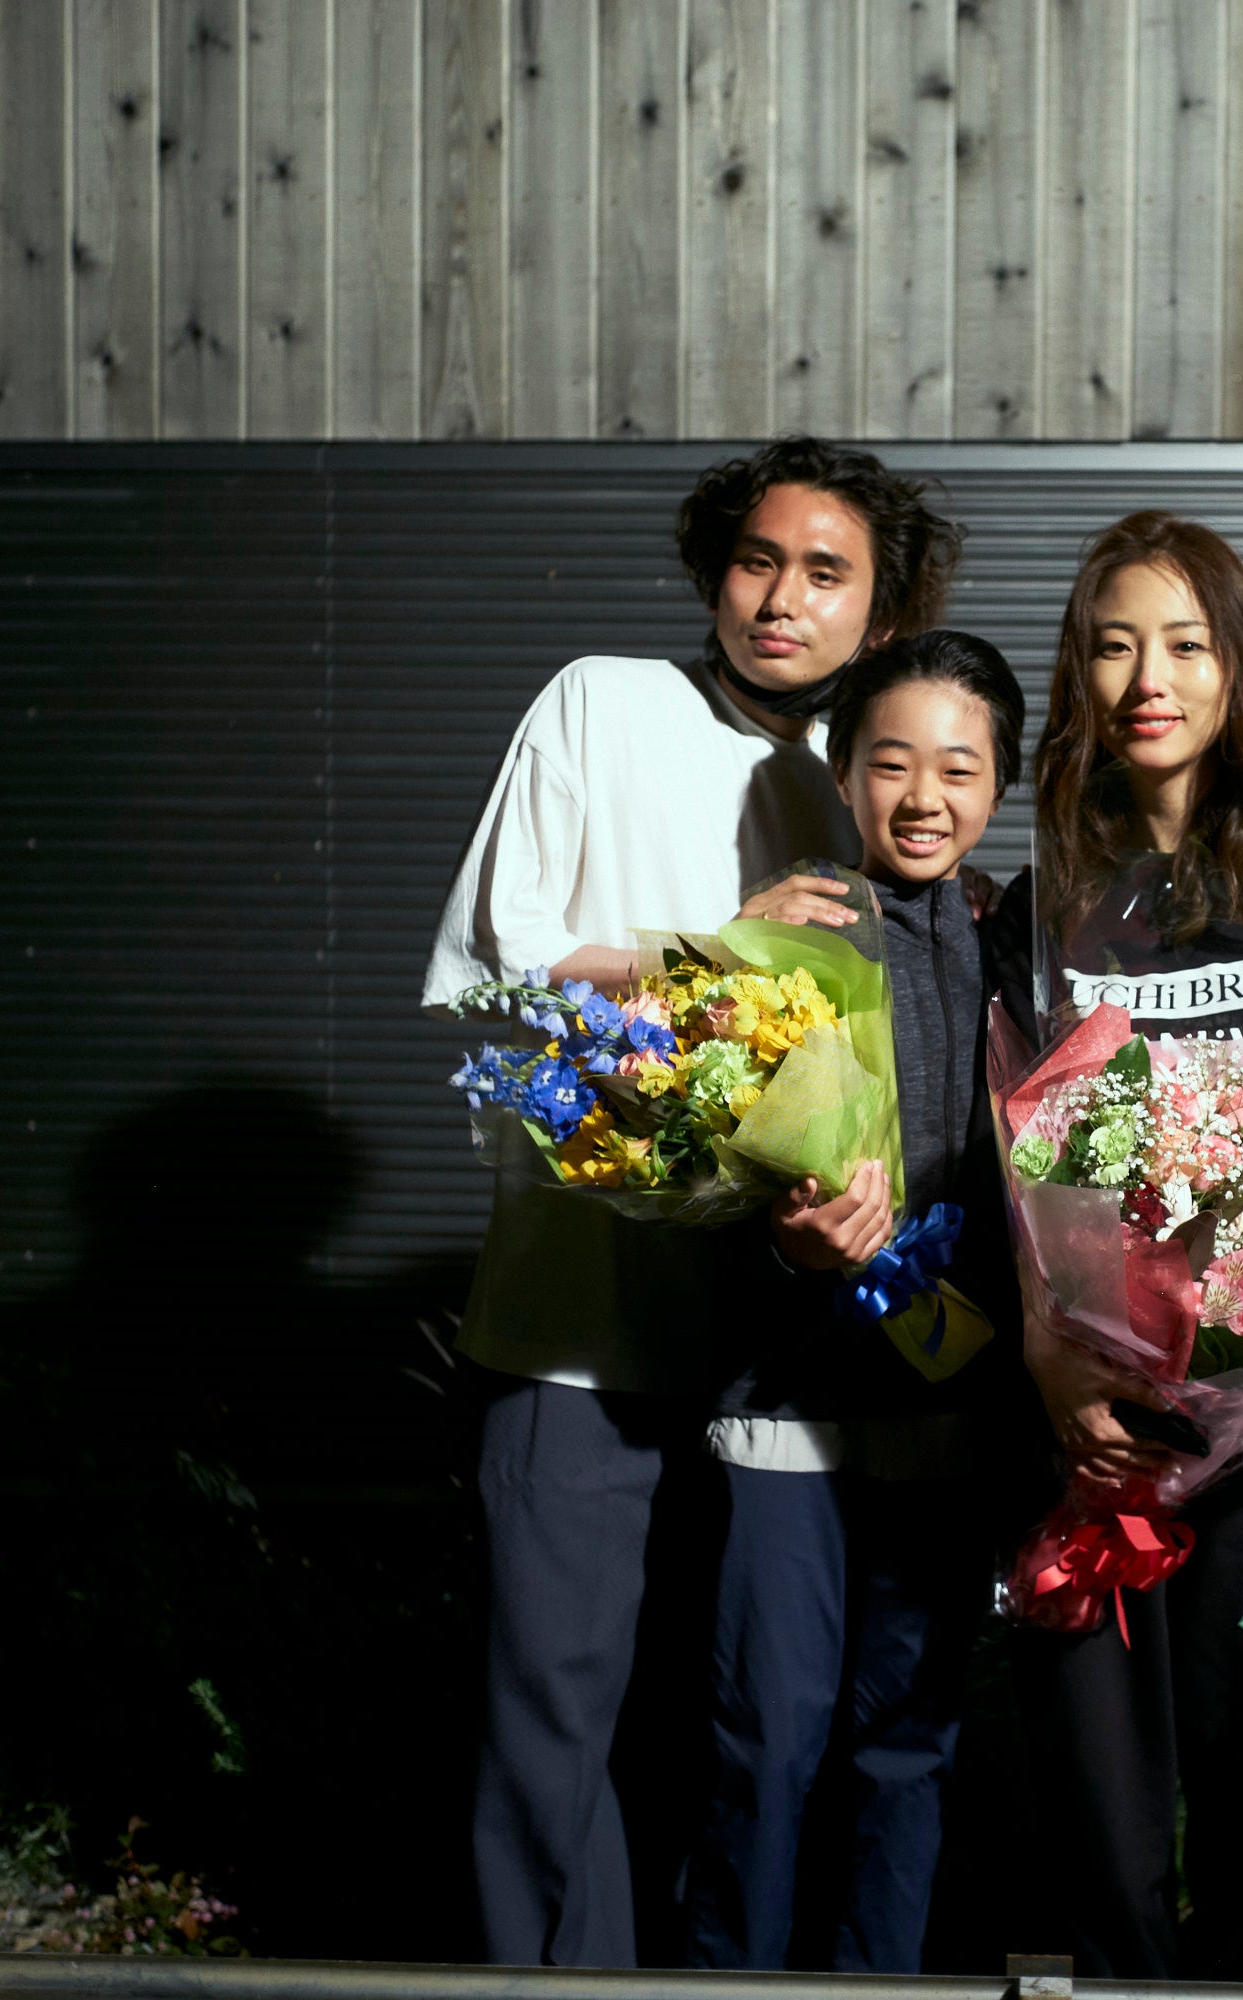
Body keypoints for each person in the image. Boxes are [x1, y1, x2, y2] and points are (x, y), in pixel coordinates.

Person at [423, 437, 964, 1967]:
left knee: (742, 1743)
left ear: (881, 611)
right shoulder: (600, 706)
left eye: (825, 574)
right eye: (755, 561)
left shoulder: (875, 775)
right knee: (552, 1719)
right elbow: (496, 972)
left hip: (783, 1363)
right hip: (578, 1324)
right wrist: (715, 954)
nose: (781, 599)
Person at [991, 512, 1243, 1982]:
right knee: (1099, 1798)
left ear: (1235, 667)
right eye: (1113, 646)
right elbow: (1005, 1147)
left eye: (1185, 645)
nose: (1148, 679)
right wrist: (1048, 1360)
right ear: (1078, 675)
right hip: (1102, 1415)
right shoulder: (1040, 902)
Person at [683, 630, 1032, 1973]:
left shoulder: (1011, 949)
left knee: (910, 1743)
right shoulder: (781, 937)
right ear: (839, 771)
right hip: (788, 1413)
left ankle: (881, 1994)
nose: (923, 796)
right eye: (891, 762)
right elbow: (698, 1186)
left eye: (959, 768)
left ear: (999, 784)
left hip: (945, 1413)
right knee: (763, 1743)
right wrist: (791, 1247)